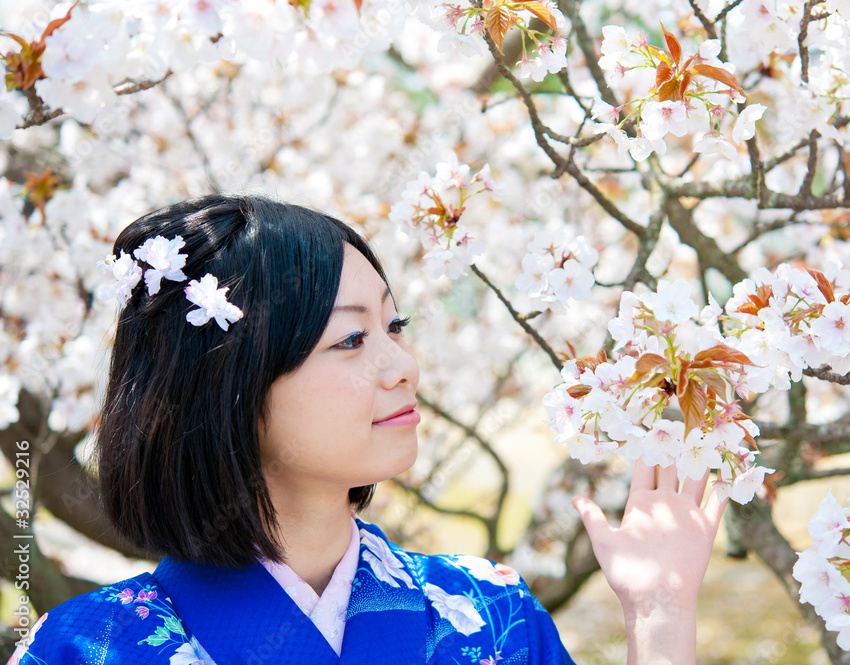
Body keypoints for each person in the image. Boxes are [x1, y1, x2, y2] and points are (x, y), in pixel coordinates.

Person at [8, 194, 727, 665]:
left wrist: (659, 615)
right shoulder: (89, 649)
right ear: (229, 387)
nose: (402, 366)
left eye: (395, 325)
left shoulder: (492, 615)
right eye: (351, 341)